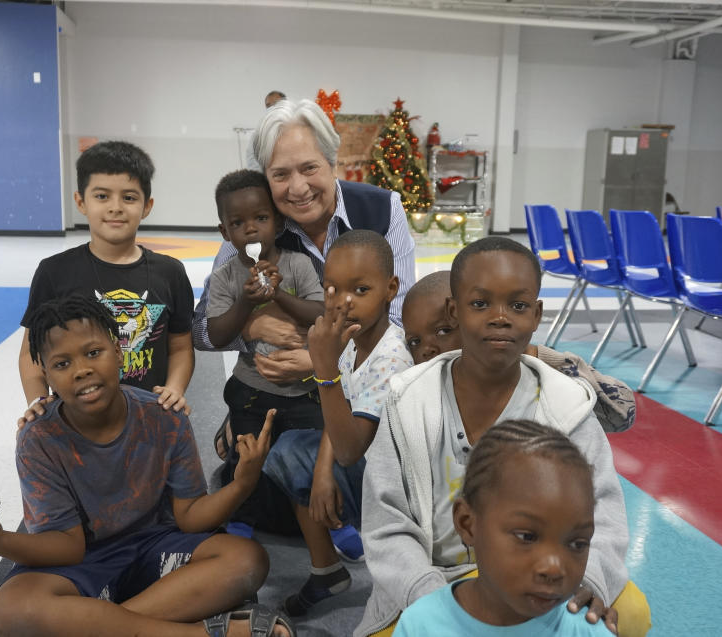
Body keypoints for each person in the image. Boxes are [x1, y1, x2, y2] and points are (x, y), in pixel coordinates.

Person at [0, 295, 295, 637]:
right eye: (62, 363)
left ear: (119, 352)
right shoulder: (38, 440)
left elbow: (191, 517)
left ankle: (98, 625)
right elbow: (68, 549)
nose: (82, 370)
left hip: (158, 548)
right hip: (83, 564)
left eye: (93, 352)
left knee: (245, 559)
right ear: (46, 375)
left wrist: (241, 485)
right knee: (9, 607)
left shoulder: (164, 417)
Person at [358, 237, 651, 637]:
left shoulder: (566, 405)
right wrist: (429, 597)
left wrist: (591, 581)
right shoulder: (408, 399)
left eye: (517, 305)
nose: (500, 318)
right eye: (481, 304)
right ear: (454, 311)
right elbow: (385, 521)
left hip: (539, 567)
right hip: (432, 581)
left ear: (536, 315)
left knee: (629, 614)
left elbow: (603, 513)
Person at [193, 99, 415, 391]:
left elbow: (402, 323)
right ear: (265, 178)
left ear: (332, 163)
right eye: (281, 174)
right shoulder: (252, 232)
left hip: (367, 386)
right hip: (275, 397)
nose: (298, 188)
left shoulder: (382, 210)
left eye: (310, 168)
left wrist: (323, 360)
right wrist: (250, 327)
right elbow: (200, 331)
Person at [261, 230, 414, 617]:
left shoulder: (391, 357)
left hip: (397, 486)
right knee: (289, 449)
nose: (343, 303)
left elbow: (350, 450)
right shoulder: (352, 341)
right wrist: (321, 472)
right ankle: (325, 568)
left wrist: (323, 366)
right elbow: (343, 405)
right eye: (332, 290)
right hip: (363, 462)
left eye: (360, 290)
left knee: (303, 458)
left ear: (390, 288)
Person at [19, 141, 194, 425]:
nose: (115, 208)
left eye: (128, 197)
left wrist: (174, 389)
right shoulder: (54, 272)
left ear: (147, 206)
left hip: (149, 417)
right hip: (77, 419)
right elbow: (32, 351)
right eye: (102, 196)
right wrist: (38, 400)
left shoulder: (170, 272)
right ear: (81, 202)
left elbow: (181, 347)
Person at [394, 419, 611, 636]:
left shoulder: (588, 632)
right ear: (467, 524)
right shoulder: (420, 625)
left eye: (577, 544)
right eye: (527, 537)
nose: (554, 569)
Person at [206, 169, 325, 535]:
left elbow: (321, 313)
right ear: (225, 233)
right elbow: (216, 334)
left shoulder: (298, 264)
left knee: (311, 456)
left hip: (304, 391)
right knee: (248, 455)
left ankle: (329, 520)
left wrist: (280, 296)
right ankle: (245, 514)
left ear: (278, 221)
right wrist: (245, 302)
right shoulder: (226, 277)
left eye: (260, 218)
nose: (252, 230)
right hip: (250, 392)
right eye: (238, 223)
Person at [401, 271, 635, 433]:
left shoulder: (538, 370)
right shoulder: (418, 393)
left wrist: (535, 356)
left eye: (443, 331)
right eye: (414, 342)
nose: (426, 349)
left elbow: (622, 414)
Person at [245, 91, 287, 170]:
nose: (272, 107)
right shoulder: (259, 132)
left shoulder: (296, 126)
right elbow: (252, 161)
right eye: (268, 105)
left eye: (276, 103)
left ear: (285, 104)